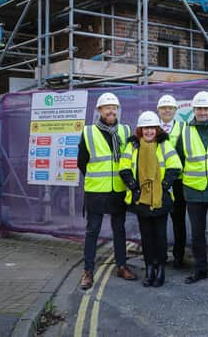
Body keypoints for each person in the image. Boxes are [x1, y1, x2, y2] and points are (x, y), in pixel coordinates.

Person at [77, 92, 137, 290]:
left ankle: (121, 266)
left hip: (118, 189)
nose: (111, 110)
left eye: (114, 107)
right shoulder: (88, 132)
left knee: (119, 230)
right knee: (92, 231)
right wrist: (98, 178)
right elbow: (82, 163)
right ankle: (88, 271)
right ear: (99, 111)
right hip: (96, 190)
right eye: (107, 107)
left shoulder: (126, 130)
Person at [119, 111, 182, 287]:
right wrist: (134, 187)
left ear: (157, 129)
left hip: (160, 199)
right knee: (146, 236)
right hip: (141, 199)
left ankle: (160, 268)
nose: (149, 132)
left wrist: (163, 186)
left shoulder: (164, 145)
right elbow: (124, 168)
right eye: (145, 128)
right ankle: (149, 268)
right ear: (140, 130)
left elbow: (175, 166)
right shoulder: (132, 147)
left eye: (152, 128)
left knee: (160, 235)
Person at [176, 91, 208, 285]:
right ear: (194, 110)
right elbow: (179, 158)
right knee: (197, 233)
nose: (203, 112)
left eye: (206, 108)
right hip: (193, 190)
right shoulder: (185, 130)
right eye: (199, 108)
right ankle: (200, 269)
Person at [157, 94, 187, 269]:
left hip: (178, 182)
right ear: (159, 111)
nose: (167, 110)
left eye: (170, 108)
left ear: (176, 110)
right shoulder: (152, 128)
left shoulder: (183, 128)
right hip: (157, 182)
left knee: (178, 220)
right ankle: (160, 255)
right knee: (158, 220)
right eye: (164, 108)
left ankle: (178, 255)